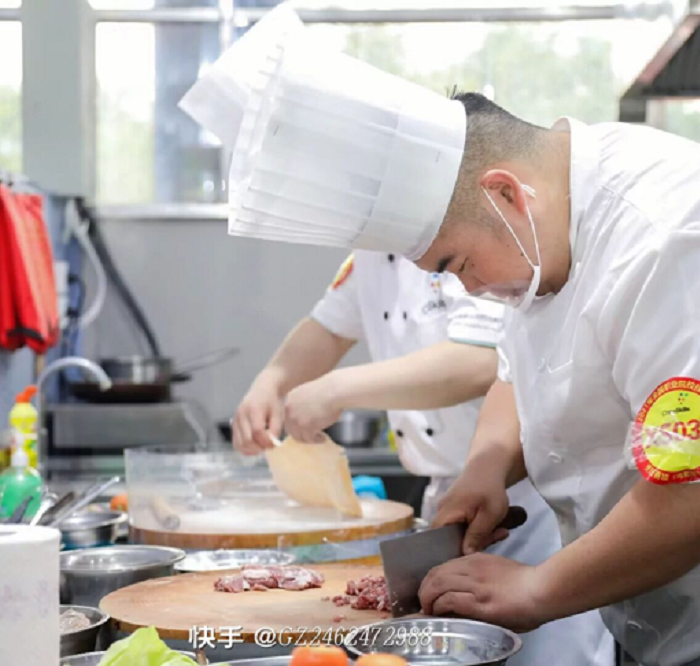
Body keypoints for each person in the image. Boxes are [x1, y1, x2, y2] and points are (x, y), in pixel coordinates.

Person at [212, 13, 700, 665]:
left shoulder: (672, 241)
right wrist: (487, 467)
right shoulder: (549, 221)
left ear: (504, 193)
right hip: (658, 613)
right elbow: (517, 368)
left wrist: (537, 588)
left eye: (457, 265)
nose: (467, 290)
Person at [233, 249, 615, 666]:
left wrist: (337, 389)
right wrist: (271, 380)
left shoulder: (465, 239)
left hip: (530, 500)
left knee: (550, 657)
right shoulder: (371, 253)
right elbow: (327, 327)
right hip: (454, 500)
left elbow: (482, 359)